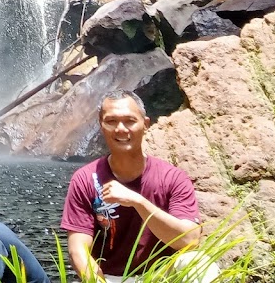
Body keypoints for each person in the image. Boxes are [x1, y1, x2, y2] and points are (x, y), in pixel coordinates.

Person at [61, 89, 216, 283]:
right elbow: (78, 250)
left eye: (130, 121)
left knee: (198, 263)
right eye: (111, 121)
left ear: (146, 125)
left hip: (161, 276)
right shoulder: (84, 179)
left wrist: (138, 201)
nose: (120, 129)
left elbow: (190, 240)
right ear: (101, 126)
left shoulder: (172, 177)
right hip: (109, 278)